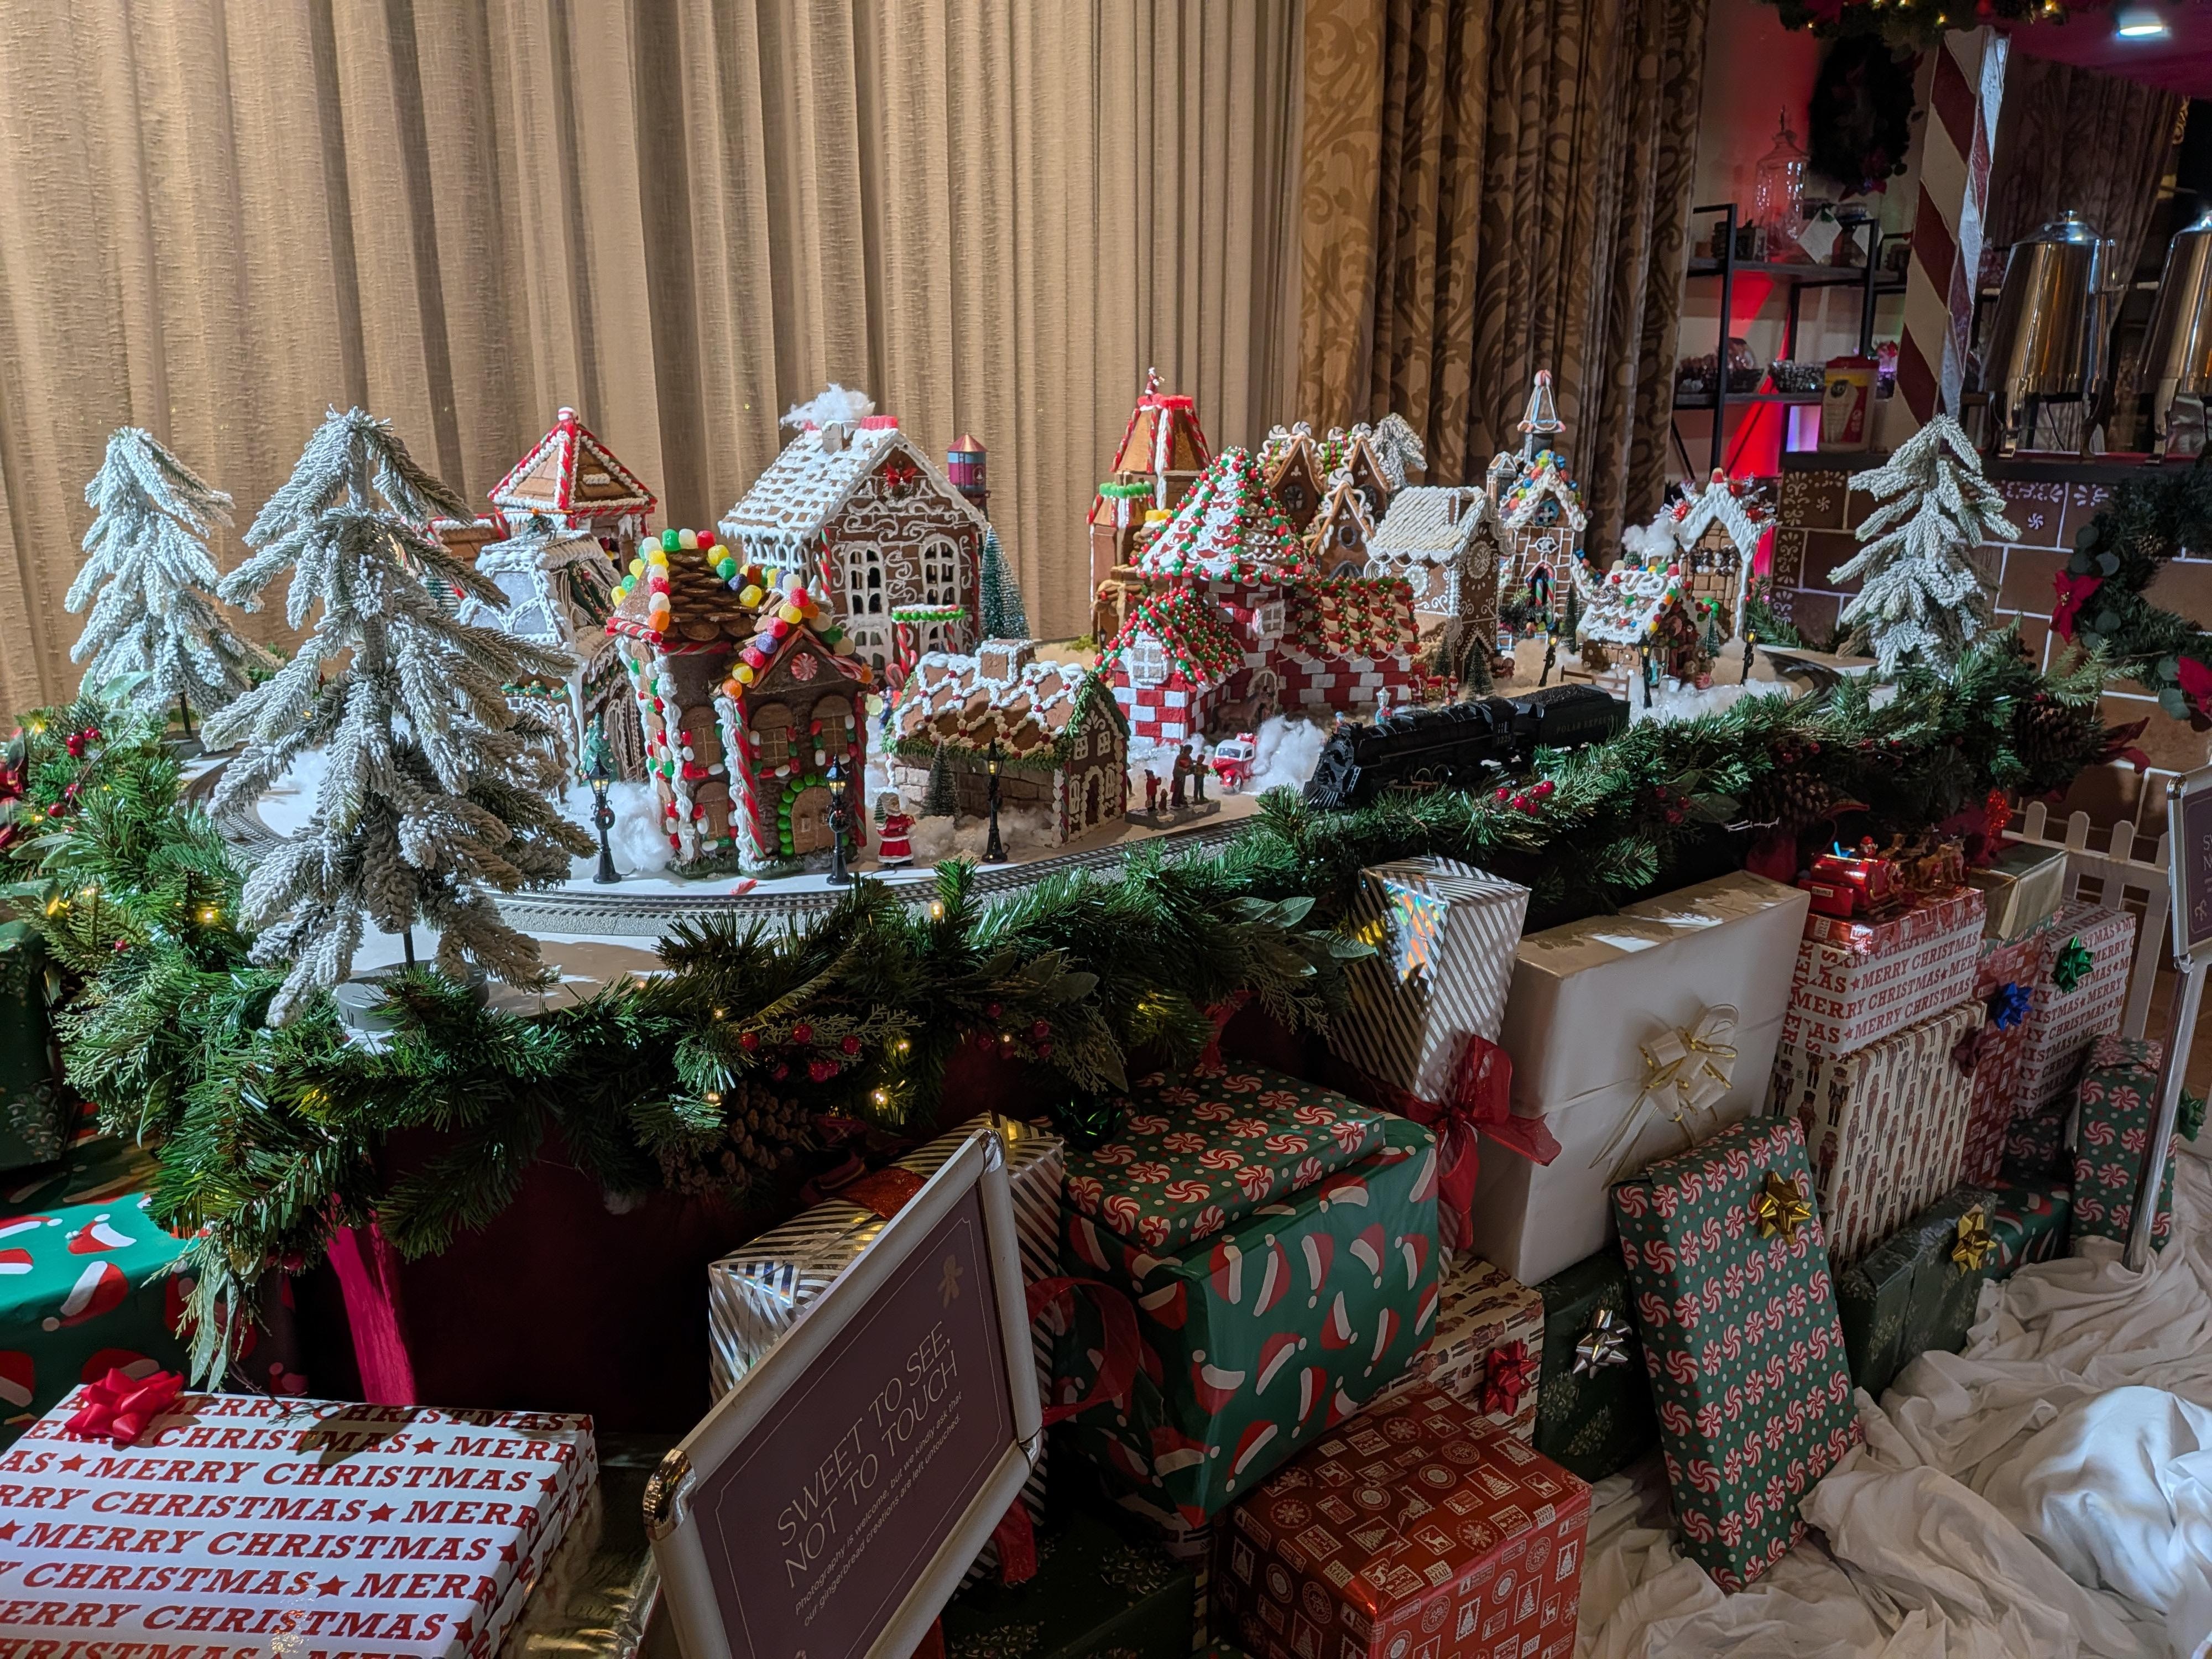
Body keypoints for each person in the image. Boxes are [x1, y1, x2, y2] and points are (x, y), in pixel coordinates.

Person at [875, 793, 915, 866]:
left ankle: (905, 860)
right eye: (893, 803)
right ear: (887, 805)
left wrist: (911, 823)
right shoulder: (887, 819)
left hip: (902, 836)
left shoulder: (902, 816)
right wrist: (881, 826)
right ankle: (889, 861)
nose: (897, 805)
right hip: (890, 839)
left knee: (904, 849)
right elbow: (882, 832)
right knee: (890, 850)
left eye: (897, 802)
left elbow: (907, 821)